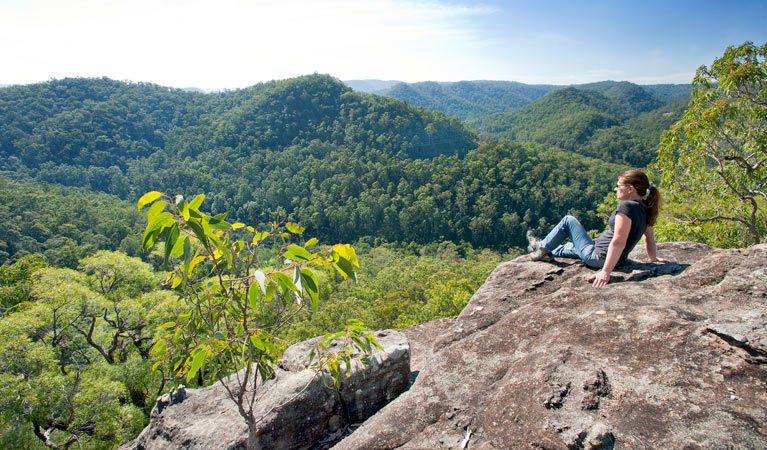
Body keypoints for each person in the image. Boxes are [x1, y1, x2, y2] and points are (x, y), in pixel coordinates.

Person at [527, 169, 665, 288]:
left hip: (598, 257)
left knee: (568, 220)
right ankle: (542, 247)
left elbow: (618, 242)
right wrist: (653, 259)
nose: (615, 189)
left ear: (630, 188)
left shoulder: (626, 207)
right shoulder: (646, 207)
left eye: (618, 185)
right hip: (613, 257)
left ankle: (541, 249)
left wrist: (605, 272)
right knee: (566, 247)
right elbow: (649, 237)